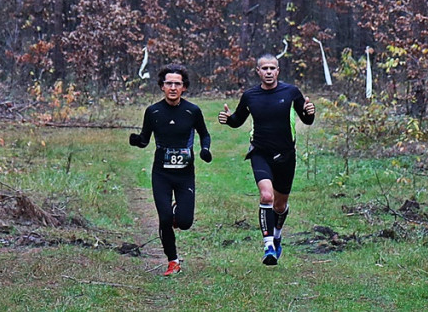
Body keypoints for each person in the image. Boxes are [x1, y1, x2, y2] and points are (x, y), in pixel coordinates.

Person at [218, 53, 314, 266]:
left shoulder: (291, 92)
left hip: (286, 155)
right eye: (265, 68)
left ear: (278, 71)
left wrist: (310, 111)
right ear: (258, 72)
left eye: (272, 68)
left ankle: (277, 234)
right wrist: (227, 119)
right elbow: (237, 120)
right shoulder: (250, 96)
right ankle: (268, 245)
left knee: (280, 206)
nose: (269, 72)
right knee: (266, 196)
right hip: (260, 152)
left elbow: (307, 119)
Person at [129, 63, 212, 276]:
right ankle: (173, 261)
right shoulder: (153, 111)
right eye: (169, 84)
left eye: (177, 84)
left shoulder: (192, 111)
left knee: (184, 222)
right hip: (161, 174)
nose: (173, 87)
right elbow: (145, 140)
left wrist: (204, 149)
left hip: (185, 175)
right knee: (165, 218)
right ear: (162, 86)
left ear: (184, 87)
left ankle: (177, 211)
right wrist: (137, 141)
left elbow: (205, 134)